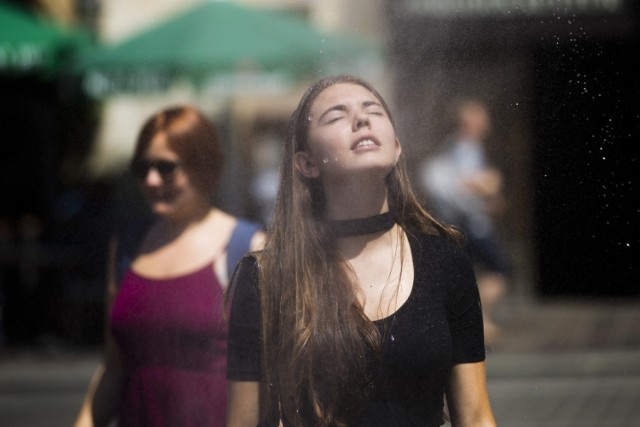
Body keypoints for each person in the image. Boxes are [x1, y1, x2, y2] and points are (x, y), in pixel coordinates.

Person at [226, 75, 496, 427]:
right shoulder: (266, 276)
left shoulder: (446, 261)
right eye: (336, 116)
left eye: (373, 111)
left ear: (396, 147)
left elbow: (475, 416)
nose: (362, 119)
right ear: (306, 163)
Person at [74, 105, 265, 427]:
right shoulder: (127, 246)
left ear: (204, 166)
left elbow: (276, 371)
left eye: (165, 167)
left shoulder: (248, 247)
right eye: (142, 167)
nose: (150, 179)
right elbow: (114, 364)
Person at [420, 98, 510, 344]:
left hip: (472, 223)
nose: (485, 122)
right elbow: (464, 185)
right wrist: (487, 186)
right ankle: (478, 318)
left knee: (479, 274)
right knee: (498, 269)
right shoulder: (461, 148)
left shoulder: (473, 147)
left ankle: (479, 319)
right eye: (478, 117)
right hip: (470, 225)